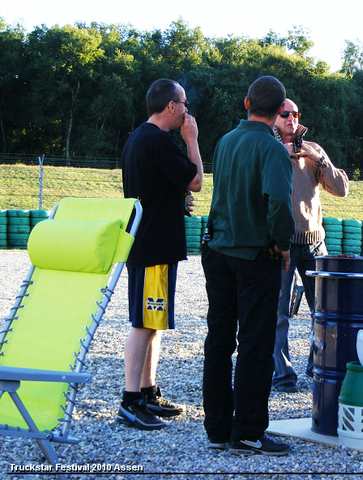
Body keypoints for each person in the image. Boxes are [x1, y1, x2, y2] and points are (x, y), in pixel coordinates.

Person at [201, 76, 295, 456]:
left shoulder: (226, 141)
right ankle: (249, 431)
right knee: (255, 344)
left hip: (219, 251)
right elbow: (278, 204)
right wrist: (282, 245)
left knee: (219, 341)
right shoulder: (273, 149)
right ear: (278, 112)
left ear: (246, 103)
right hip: (255, 256)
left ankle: (218, 427)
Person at [119, 78, 203, 430]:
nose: (187, 110)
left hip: (145, 242)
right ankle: (130, 400)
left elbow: (167, 188)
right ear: (171, 106)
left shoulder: (139, 137)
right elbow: (196, 179)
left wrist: (176, 199)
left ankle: (148, 391)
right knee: (144, 322)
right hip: (154, 247)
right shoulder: (160, 141)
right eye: (184, 104)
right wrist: (191, 140)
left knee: (153, 322)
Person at [272, 98, 349, 393]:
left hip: (315, 245)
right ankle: (282, 375)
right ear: (274, 117)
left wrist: (319, 159)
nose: (291, 118)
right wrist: (287, 152)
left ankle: (320, 366)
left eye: (295, 114)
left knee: (326, 312)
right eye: (284, 114)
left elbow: (341, 190)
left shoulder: (314, 149)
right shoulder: (269, 148)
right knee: (278, 315)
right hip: (280, 245)